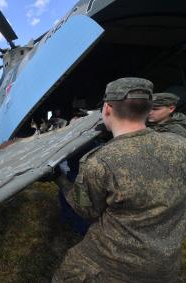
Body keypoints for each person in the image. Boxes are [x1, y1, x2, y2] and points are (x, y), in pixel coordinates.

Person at [52, 78, 186, 282]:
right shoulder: (180, 145)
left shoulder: (101, 162)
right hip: (165, 264)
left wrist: (59, 179)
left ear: (107, 108)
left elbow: (86, 209)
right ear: (147, 108)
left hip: (114, 265)